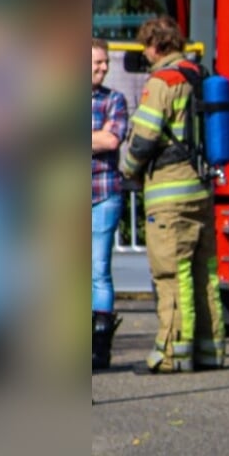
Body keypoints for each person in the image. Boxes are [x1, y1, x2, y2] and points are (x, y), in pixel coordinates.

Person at [118, 17, 224, 373]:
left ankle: (172, 354)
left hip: (168, 193)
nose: (145, 55)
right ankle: (211, 351)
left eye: (146, 47)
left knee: (171, 272)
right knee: (203, 273)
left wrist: (128, 168)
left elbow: (145, 136)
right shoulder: (199, 75)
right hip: (200, 190)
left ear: (155, 45)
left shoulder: (162, 82)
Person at [91, 37, 130, 371]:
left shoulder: (114, 100)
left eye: (105, 63)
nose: (104, 68)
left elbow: (111, 139)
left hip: (103, 192)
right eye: (97, 63)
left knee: (98, 270)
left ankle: (99, 348)